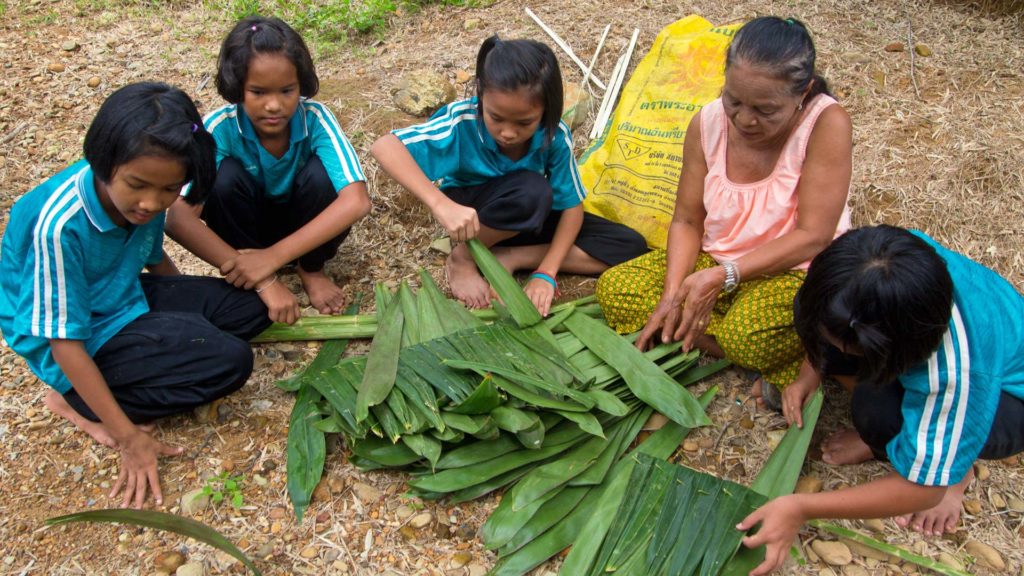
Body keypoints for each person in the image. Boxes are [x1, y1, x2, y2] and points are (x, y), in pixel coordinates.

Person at [0, 82, 273, 509]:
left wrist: (183, 306)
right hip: (76, 339)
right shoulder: (57, 225)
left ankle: (134, 364)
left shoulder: (144, 191)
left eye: (169, 191)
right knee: (231, 362)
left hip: (120, 297)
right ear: (104, 160)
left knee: (251, 308)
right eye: (138, 185)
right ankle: (72, 400)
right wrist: (129, 439)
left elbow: (150, 254)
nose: (151, 203)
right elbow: (64, 342)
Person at [738, 225, 1024, 574]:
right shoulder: (871, 260)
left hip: (1008, 401)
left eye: (842, 347)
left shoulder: (953, 374)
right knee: (809, 309)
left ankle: (956, 469)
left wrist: (801, 507)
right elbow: (825, 316)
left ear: (894, 354)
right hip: (930, 342)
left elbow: (922, 491)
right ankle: (918, 440)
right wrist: (809, 372)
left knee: (878, 414)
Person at [595, 16, 852, 406]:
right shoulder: (708, 122)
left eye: (765, 110)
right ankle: (710, 331)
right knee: (617, 290)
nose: (745, 119)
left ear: (805, 92)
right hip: (716, 260)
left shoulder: (825, 124)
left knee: (745, 335)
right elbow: (686, 219)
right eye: (734, 100)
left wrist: (725, 276)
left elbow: (813, 236)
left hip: (794, 271)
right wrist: (671, 295)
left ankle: (763, 347)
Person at [370, 36, 648, 316]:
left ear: (545, 111)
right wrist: (440, 204)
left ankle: (511, 257)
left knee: (629, 246)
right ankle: (464, 259)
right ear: (481, 96)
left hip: (526, 217)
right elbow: (385, 147)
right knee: (532, 192)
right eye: (496, 117)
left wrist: (546, 273)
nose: (508, 133)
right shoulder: (461, 121)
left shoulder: (553, 135)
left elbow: (572, 208)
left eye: (524, 122)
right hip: (475, 218)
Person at [166, 16, 371, 325]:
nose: (274, 105)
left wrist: (274, 257)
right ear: (237, 89)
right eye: (258, 92)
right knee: (222, 180)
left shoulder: (315, 118)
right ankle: (253, 276)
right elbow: (178, 217)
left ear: (301, 84)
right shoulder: (219, 129)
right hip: (246, 233)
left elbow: (357, 201)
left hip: (304, 228)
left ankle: (311, 269)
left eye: (287, 91)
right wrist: (264, 277)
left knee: (321, 178)